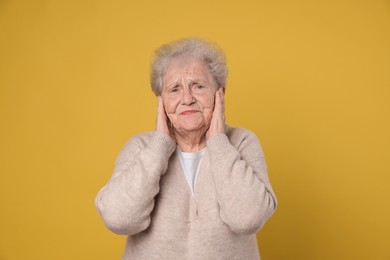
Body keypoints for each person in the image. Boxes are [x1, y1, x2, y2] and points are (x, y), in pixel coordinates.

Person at [95, 38, 277, 259]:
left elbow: (248, 218)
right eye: (174, 89)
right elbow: (118, 218)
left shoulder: (242, 141)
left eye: (198, 86)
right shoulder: (140, 147)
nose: (187, 99)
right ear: (161, 101)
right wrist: (159, 146)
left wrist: (218, 141)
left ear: (219, 93)